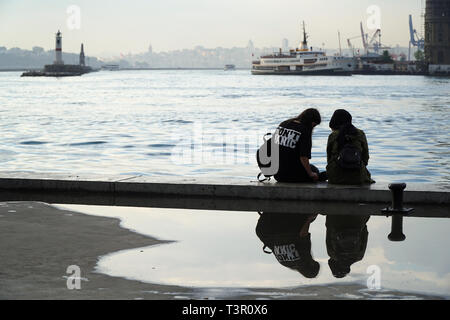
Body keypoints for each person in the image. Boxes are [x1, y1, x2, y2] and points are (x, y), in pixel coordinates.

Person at [255, 212, 320, 278]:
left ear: (311, 265)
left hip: (287, 221)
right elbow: (274, 245)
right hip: (268, 223)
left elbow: (303, 234)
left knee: (312, 218)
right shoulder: (284, 263)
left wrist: (309, 219)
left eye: (313, 262)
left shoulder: (304, 259)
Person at [272, 108, 326, 182]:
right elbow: (303, 157)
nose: (313, 128)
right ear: (310, 122)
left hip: (277, 174)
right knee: (315, 170)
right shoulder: (305, 130)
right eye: (314, 125)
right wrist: (310, 174)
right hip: (293, 175)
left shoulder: (284, 124)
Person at [326, 109, 374, 185]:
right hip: (358, 177)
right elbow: (365, 157)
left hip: (335, 177)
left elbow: (329, 159)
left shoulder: (333, 135)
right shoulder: (360, 134)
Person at [326, 214, 370, 278]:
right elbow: (328, 230)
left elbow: (365, 233)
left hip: (358, 218)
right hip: (336, 217)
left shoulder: (359, 256)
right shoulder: (332, 254)